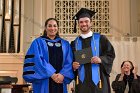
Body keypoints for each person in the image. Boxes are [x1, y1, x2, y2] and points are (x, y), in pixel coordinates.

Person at [23, 18, 74, 93]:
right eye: (49, 26)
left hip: (60, 81)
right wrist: (51, 74)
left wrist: (63, 74)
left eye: (55, 26)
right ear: (45, 28)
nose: (52, 28)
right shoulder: (37, 42)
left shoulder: (65, 44)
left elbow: (69, 61)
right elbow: (37, 60)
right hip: (43, 81)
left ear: (57, 28)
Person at [71, 8, 115, 93]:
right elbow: (70, 60)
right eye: (81, 22)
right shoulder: (74, 43)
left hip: (99, 81)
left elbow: (111, 54)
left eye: (86, 21)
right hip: (81, 83)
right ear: (78, 24)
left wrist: (101, 59)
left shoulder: (101, 39)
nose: (84, 24)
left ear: (91, 23)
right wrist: (73, 66)